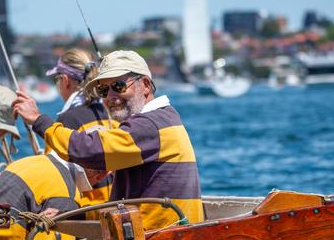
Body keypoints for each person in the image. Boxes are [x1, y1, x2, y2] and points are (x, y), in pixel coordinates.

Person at [14, 50, 204, 230]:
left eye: (119, 86)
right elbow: (125, 202)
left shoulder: (151, 125)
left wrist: (39, 121)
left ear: (145, 85)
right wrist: (75, 215)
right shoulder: (162, 118)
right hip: (160, 238)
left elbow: (90, 150)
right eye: (104, 90)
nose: (111, 97)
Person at [45, 48, 117, 211]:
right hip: (119, 207)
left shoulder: (66, 121)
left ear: (65, 80)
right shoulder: (109, 113)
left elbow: (54, 176)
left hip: (88, 214)